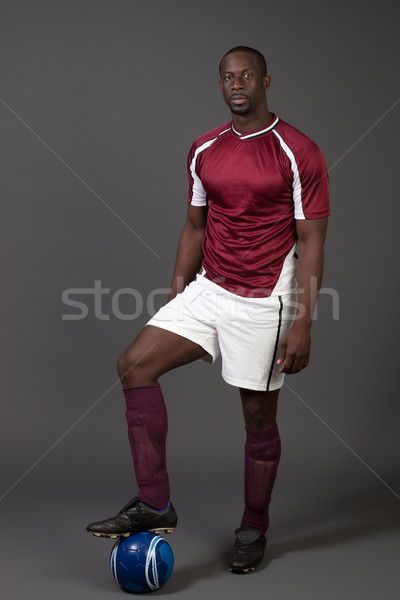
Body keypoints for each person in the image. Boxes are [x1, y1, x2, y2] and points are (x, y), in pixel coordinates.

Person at [86, 46, 330, 574]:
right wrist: (178, 298)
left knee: (256, 415)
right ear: (220, 85)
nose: (236, 83)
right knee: (134, 364)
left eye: (245, 75)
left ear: (265, 80)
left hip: (267, 296)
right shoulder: (204, 148)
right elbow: (195, 226)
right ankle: (154, 503)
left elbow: (311, 242)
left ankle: (254, 524)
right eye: (227, 77)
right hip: (209, 286)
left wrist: (304, 320)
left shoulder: (298, 151)